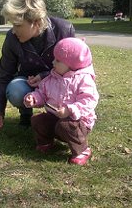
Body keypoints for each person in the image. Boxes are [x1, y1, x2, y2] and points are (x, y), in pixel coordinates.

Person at [0, 0, 75, 131]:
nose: (13, 30)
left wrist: (45, 76)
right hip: (27, 84)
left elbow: (75, 69)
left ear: (35, 22)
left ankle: (62, 116)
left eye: (17, 25)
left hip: (59, 83)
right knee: (16, 89)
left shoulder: (64, 30)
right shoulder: (12, 38)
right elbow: (4, 75)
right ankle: (26, 114)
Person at [23, 37, 99, 165]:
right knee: (38, 119)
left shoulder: (83, 80)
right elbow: (43, 93)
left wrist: (70, 110)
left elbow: (89, 100)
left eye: (58, 60)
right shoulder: (52, 77)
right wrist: (34, 98)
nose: (53, 62)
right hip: (55, 118)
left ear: (72, 64)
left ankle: (82, 150)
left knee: (66, 125)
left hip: (78, 123)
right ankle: (46, 141)